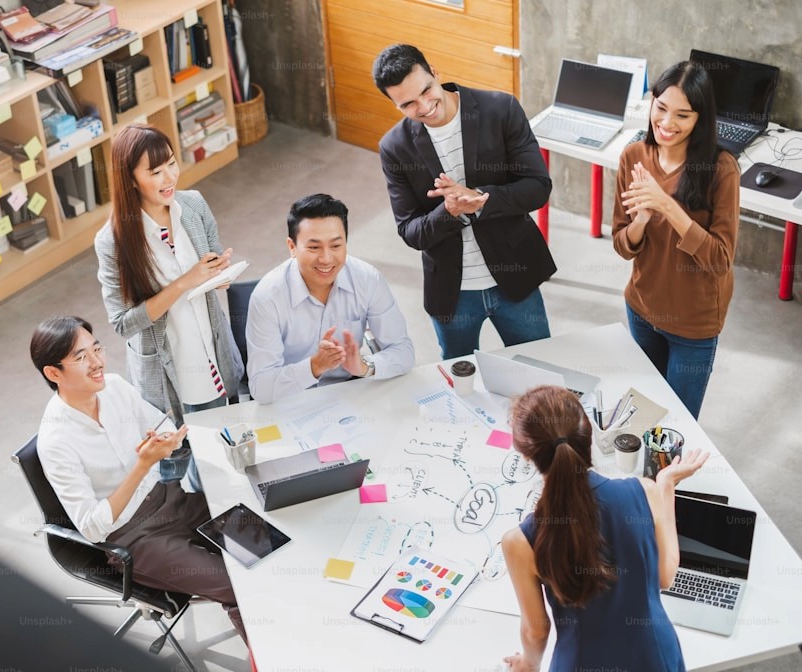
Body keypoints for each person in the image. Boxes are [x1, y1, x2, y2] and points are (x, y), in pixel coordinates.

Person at [30, 315, 246, 642]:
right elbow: (91, 526)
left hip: (171, 499)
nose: (97, 362)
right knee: (237, 586)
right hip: (133, 538)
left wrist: (169, 440)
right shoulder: (55, 441)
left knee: (261, 536)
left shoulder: (114, 386)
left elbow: (160, 425)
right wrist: (142, 466)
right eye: (81, 357)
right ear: (53, 373)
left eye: (97, 349)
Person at [501, 385, 708, 671]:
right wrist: (666, 486)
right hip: (654, 657)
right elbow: (665, 576)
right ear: (589, 439)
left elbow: (536, 631)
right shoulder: (645, 491)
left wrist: (529, 664)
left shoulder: (519, 542)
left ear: (526, 455)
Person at [372, 44, 556, 360]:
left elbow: (538, 188)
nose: (425, 107)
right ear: (394, 104)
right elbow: (410, 231)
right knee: (461, 381)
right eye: (408, 104)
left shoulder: (500, 109)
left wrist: (480, 199)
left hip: (515, 278)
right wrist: (449, 211)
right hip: (452, 293)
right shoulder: (394, 147)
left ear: (435, 73)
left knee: (539, 367)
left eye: (427, 90)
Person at [95, 125, 243, 486]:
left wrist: (216, 274)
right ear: (130, 179)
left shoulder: (192, 205)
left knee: (222, 454)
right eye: (155, 171)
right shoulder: (113, 241)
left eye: (172, 164)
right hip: (169, 371)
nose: (169, 177)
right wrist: (185, 282)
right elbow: (122, 323)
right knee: (176, 466)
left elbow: (207, 268)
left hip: (212, 352)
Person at [613, 61, 740, 419]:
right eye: (662, 108)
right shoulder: (634, 155)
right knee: (642, 418)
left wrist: (667, 206)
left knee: (675, 430)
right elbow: (622, 245)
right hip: (641, 310)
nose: (667, 124)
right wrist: (640, 221)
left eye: (682, 115)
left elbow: (719, 260)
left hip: (693, 326)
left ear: (700, 119)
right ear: (651, 102)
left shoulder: (721, 169)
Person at [245, 193, 415, 404]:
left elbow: (404, 353)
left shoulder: (367, 279)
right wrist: (314, 367)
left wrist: (364, 366)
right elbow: (261, 388)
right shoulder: (267, 297)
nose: (326, 259)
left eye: (336, 246)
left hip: (349, 392)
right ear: (292, 247)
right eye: (314, 247)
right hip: (290, 399)